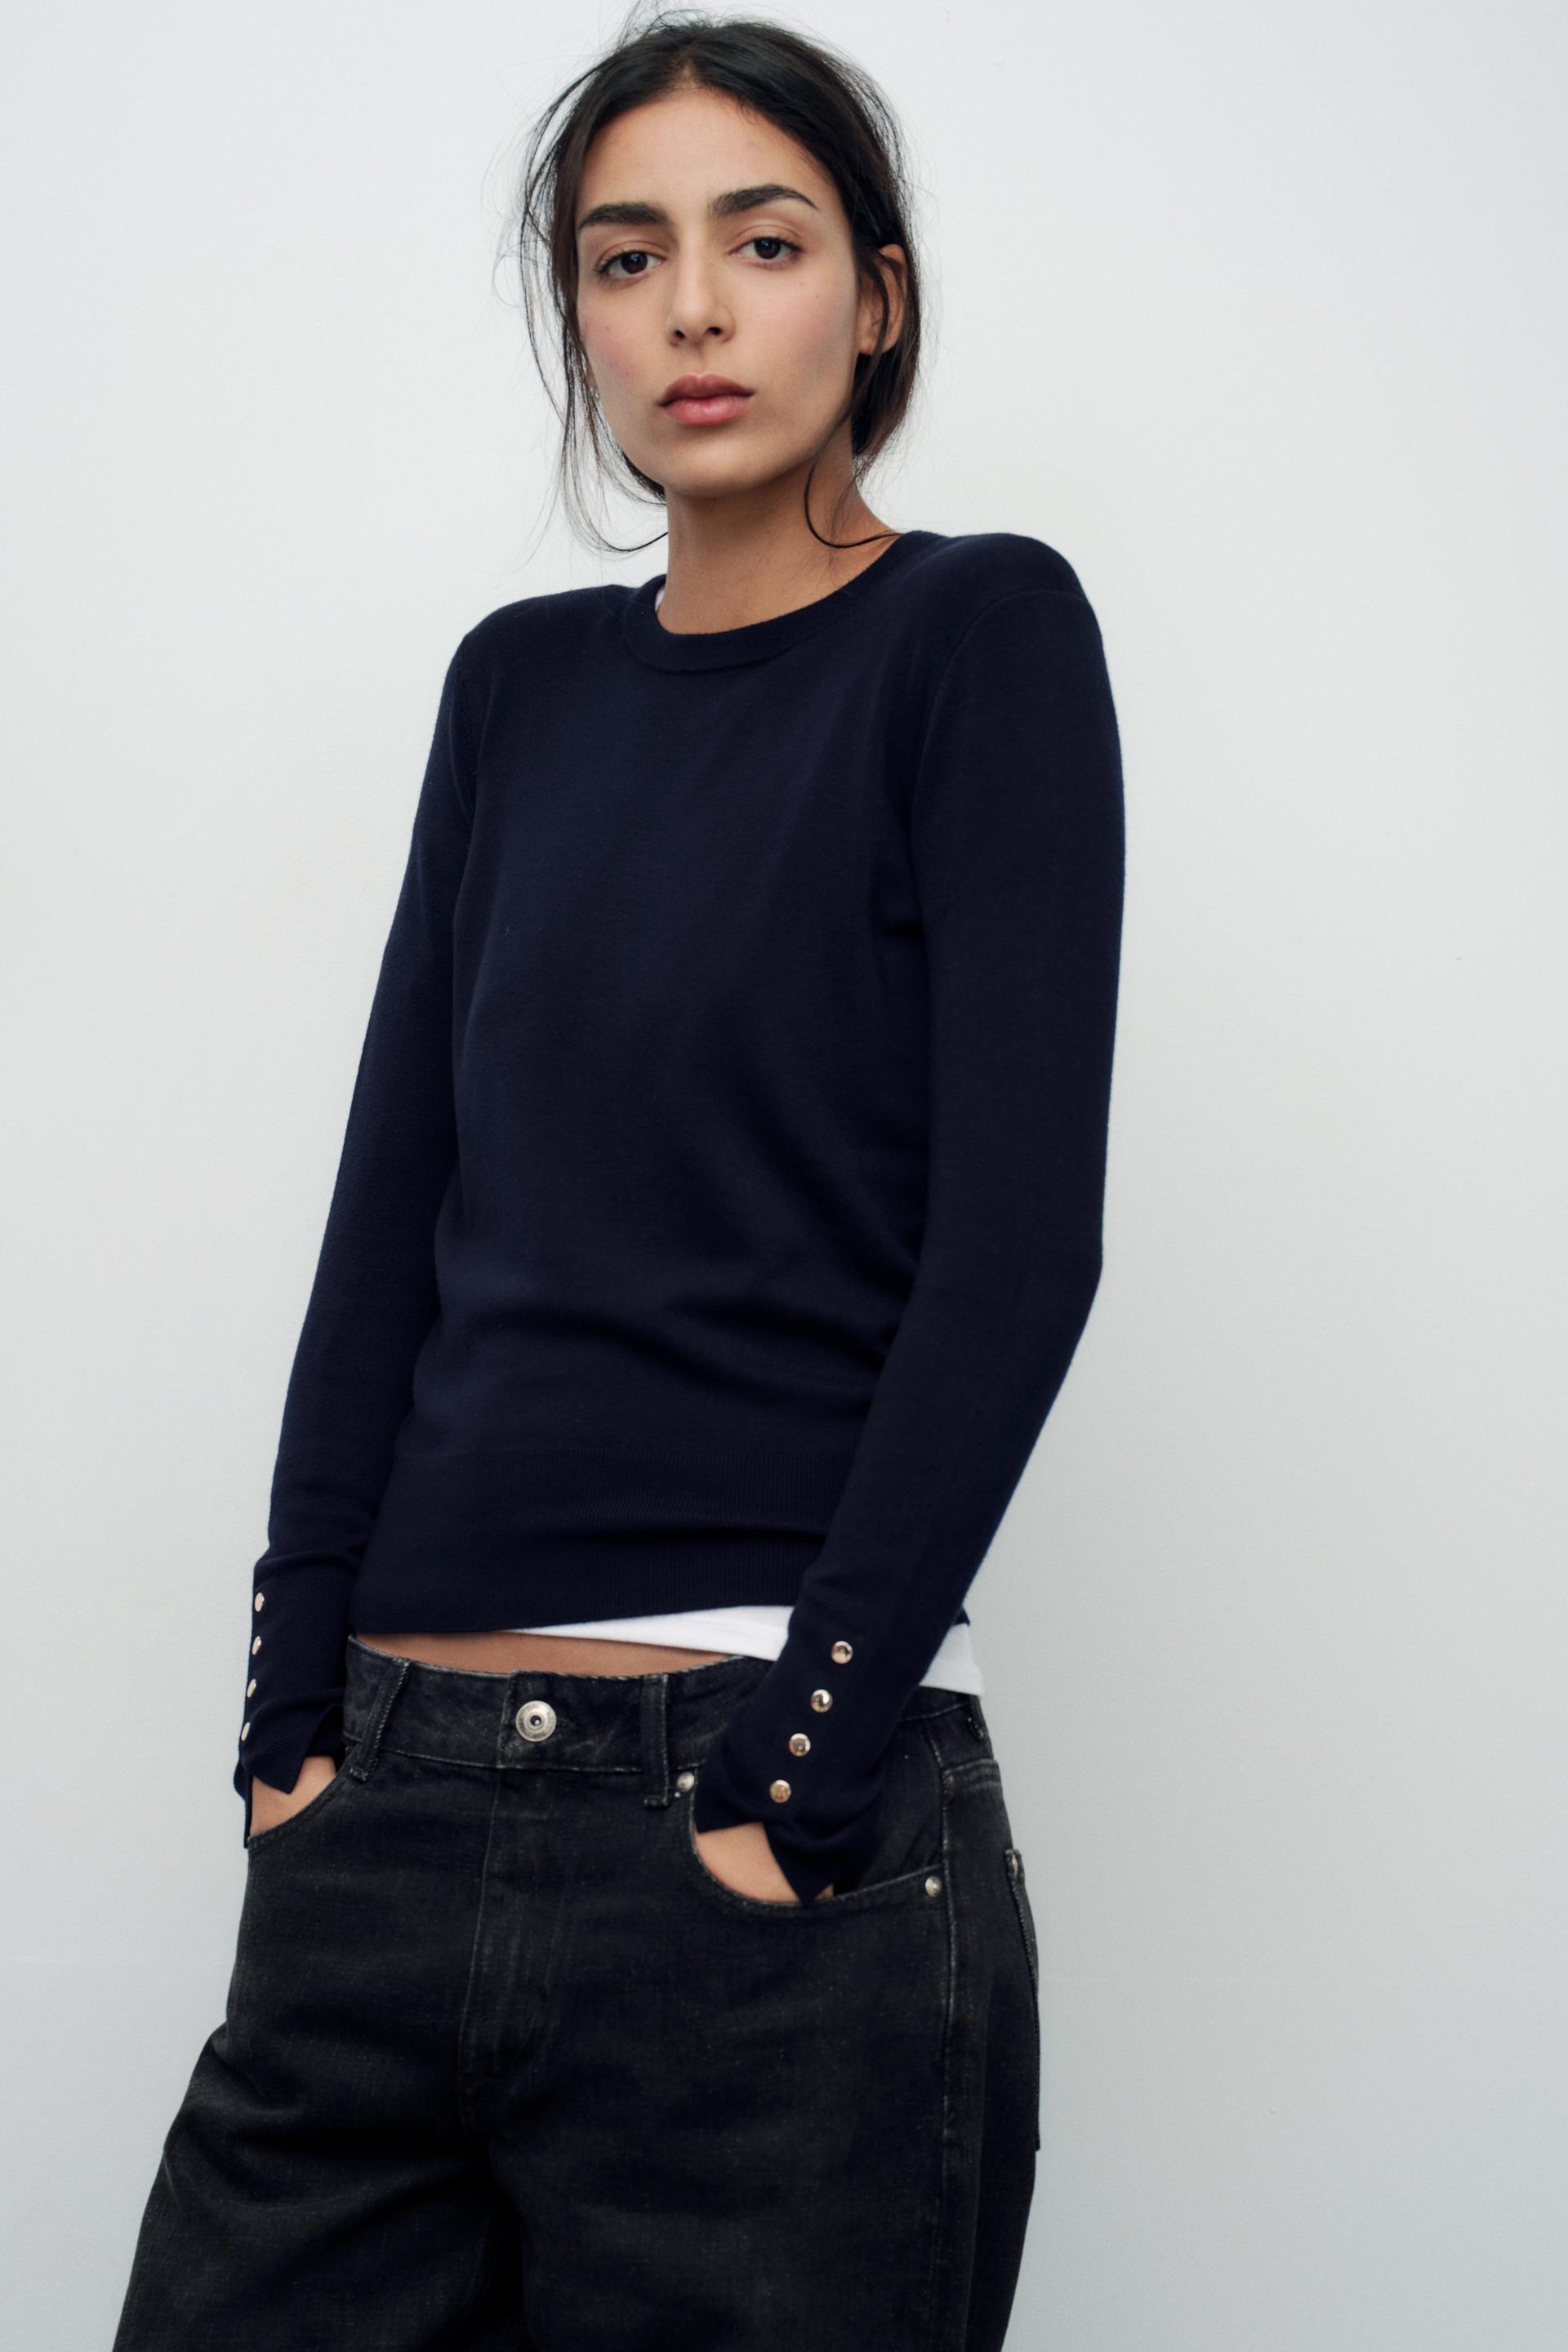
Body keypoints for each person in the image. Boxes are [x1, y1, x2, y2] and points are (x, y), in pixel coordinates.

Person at [111, 11, 1125, 2347]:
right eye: (625, 254)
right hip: (386, 1815)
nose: (690, 310)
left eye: (761, 244)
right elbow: (391, 1227)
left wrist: (801, 1774)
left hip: (753, 1831)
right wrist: (287, 1724)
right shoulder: (518, 688)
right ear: (575, 307)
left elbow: (1015, 1252)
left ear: (874, 296)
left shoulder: (977, 637)